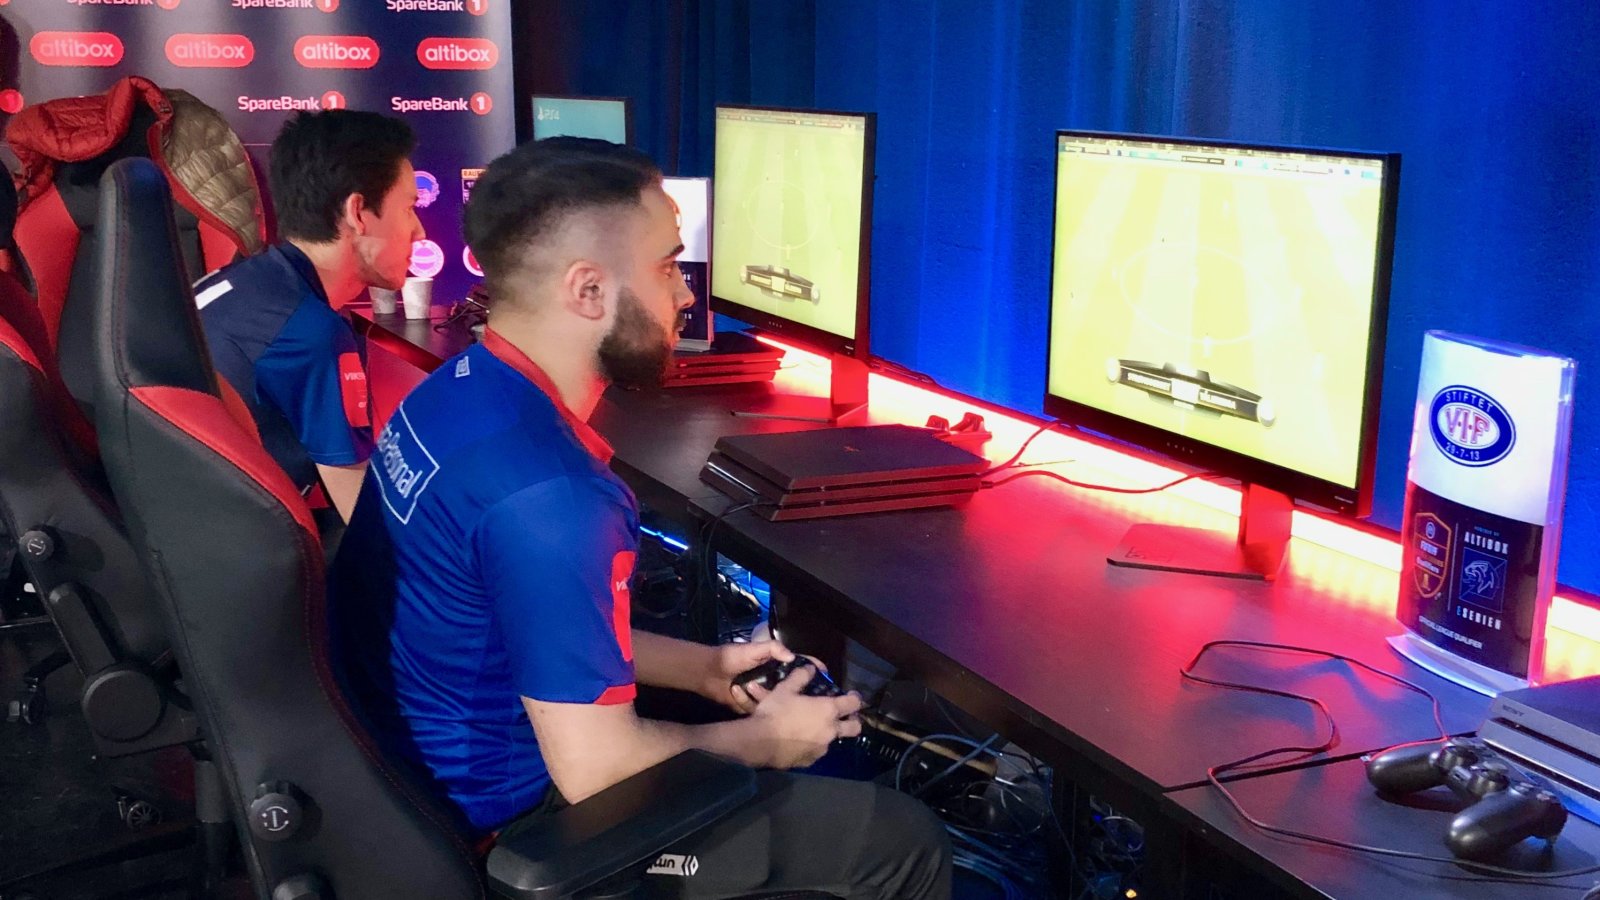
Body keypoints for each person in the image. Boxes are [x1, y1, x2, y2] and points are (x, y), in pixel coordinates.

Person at [328, 138, 951, 899]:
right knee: (899, 839)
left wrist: (706, 670)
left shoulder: (455, 389)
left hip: (400, 773)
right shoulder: (554, 498)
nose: (686, 295)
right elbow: (597, 771)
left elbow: (516, 622)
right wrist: (762, 741)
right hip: (512, 830)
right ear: (589, 290)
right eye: (666, 267)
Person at [196, 109, 424, 522]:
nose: (419, 231)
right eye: (409, 208)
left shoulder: (250, 282)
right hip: (243, 542)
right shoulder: (307, 333)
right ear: (358, 213)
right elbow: (365, 519)